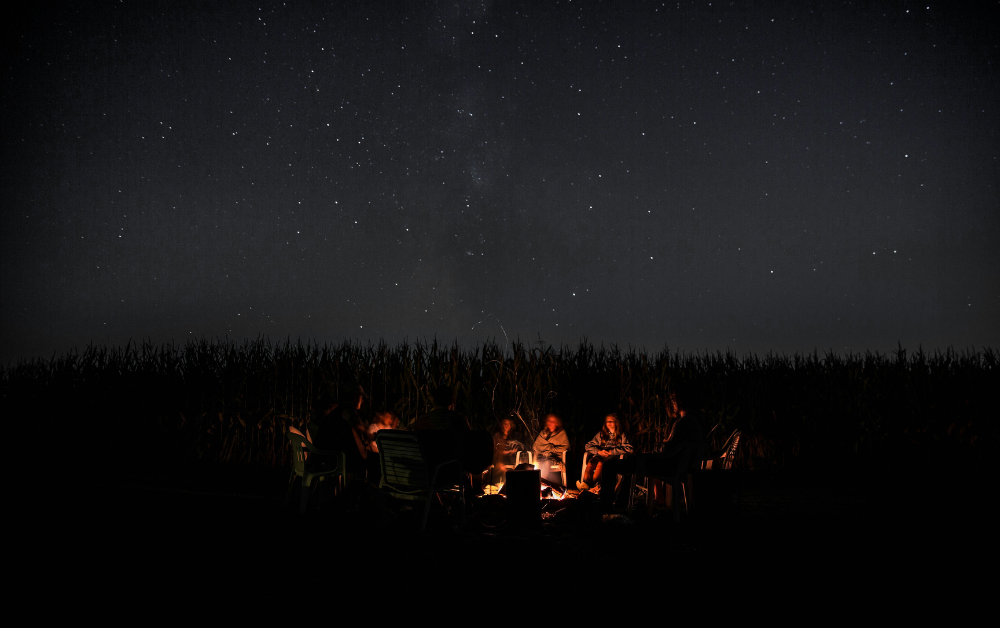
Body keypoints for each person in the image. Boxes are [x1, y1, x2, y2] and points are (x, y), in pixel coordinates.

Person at [308, 383, 379, 481]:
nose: (362, 400)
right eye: (361, 397)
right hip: (327, 461)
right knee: (375, 462)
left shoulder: (339, 410)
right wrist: (376, 436)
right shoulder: (347, 411)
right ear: (355, 396)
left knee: (362, 460)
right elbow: (359, 427)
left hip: (324, 458)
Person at [578, 414, 633, 492]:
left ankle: (592, 485)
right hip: (601, 454)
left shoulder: (622, 435)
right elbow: (588, 446)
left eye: (611, 421)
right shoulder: (601, 434)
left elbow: (629, 449)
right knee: (590, 463)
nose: (609, 423)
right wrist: (598, 451)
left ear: (617, 423)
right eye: (607, 421)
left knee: (601, 464)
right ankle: (586, 484)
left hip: (613, 457)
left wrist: (612, 452)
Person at [532, 413, 570, 487]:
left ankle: (539, 485)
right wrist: (547, 448)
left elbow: (566, 446)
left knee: (546, 463)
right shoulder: (543, 433)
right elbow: (535, 446)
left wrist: (552, 449)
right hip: (541, 456)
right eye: (549, 421)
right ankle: (533, 484)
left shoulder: (561, 433)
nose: (550, 423)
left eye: (552, 421)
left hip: (554, 458)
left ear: (557, 423)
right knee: (535, 464)